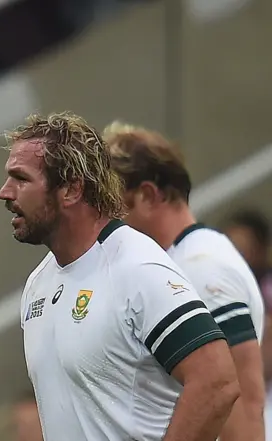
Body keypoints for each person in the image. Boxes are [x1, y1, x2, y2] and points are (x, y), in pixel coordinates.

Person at [0, 112, 239, 441]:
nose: (5, 192)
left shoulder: (137, 269)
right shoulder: (38, 283)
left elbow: (218, 381)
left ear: (70, 189)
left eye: (21, 179)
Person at [104, 121, 266, 441]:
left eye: (113, 207)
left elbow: (242, 401)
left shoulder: (200, 269)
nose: (107, 224)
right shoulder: (184, 261)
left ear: (148, 196)